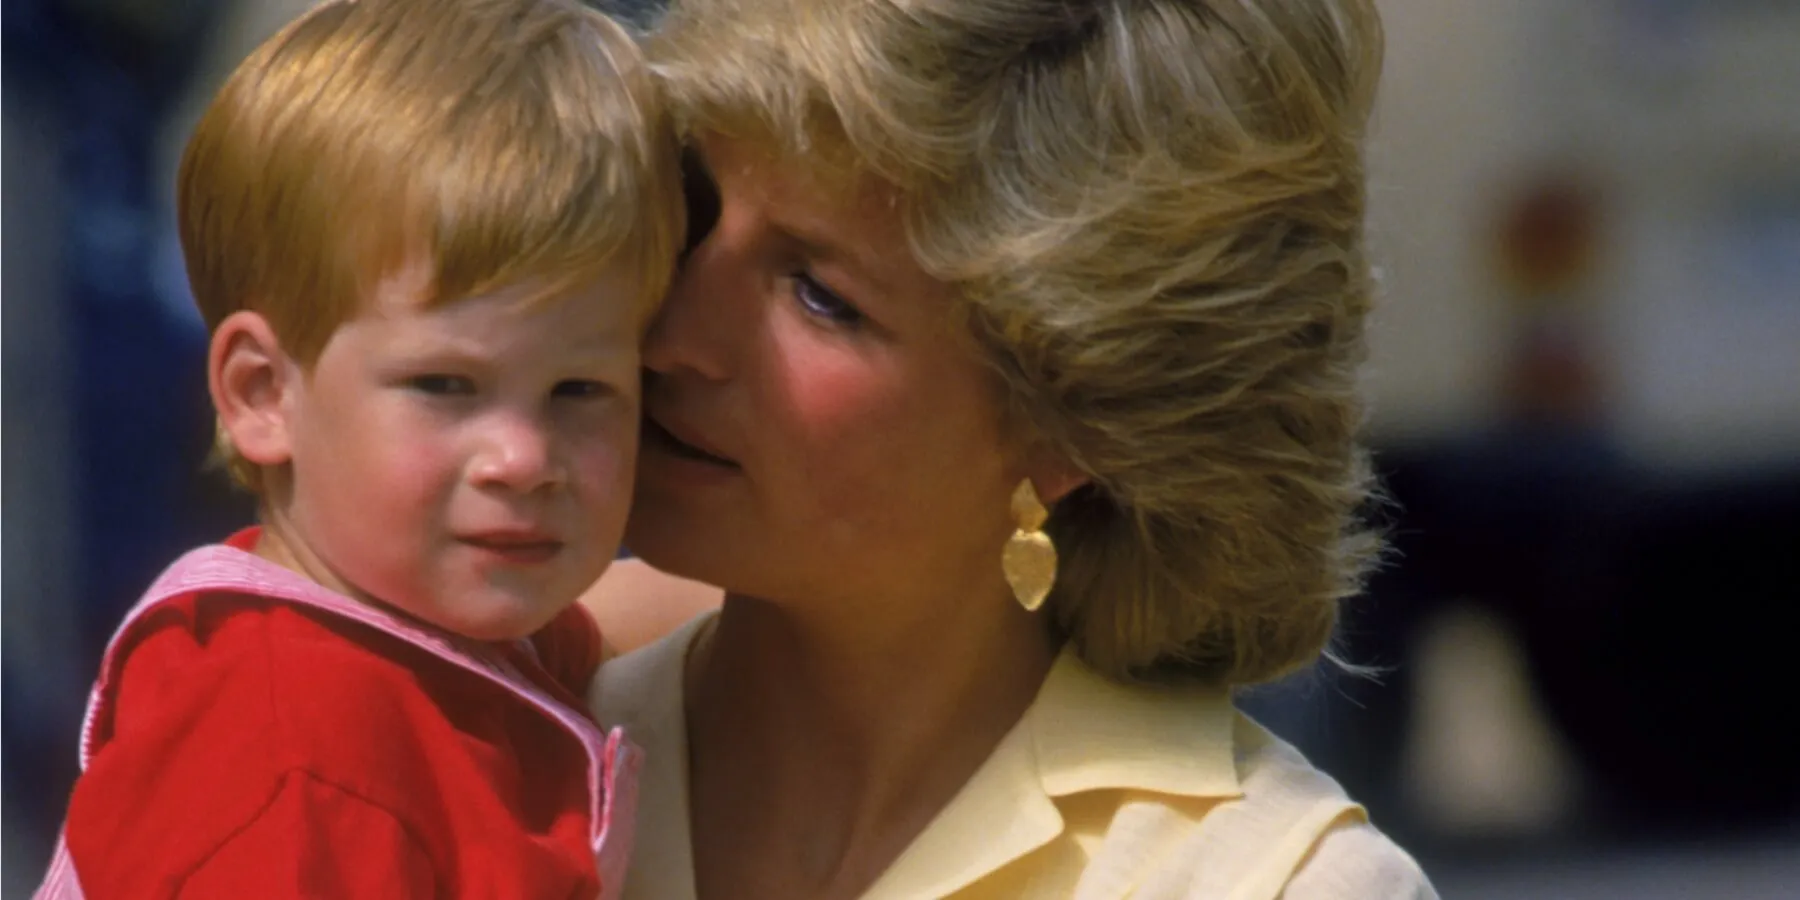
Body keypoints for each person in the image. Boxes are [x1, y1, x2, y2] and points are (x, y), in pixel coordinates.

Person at [581, 0, 1437, 896]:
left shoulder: (1269, 882)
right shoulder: (506, 742)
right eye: (694, 206)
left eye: (820, 295)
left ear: (1079, 419)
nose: (671, 329)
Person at [37, 0, 682, 895]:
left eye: (581, 391)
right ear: (264, 393)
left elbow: (627, 619)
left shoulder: (421, 622)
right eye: (444, 387)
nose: (523, 458)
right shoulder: (295, 757)